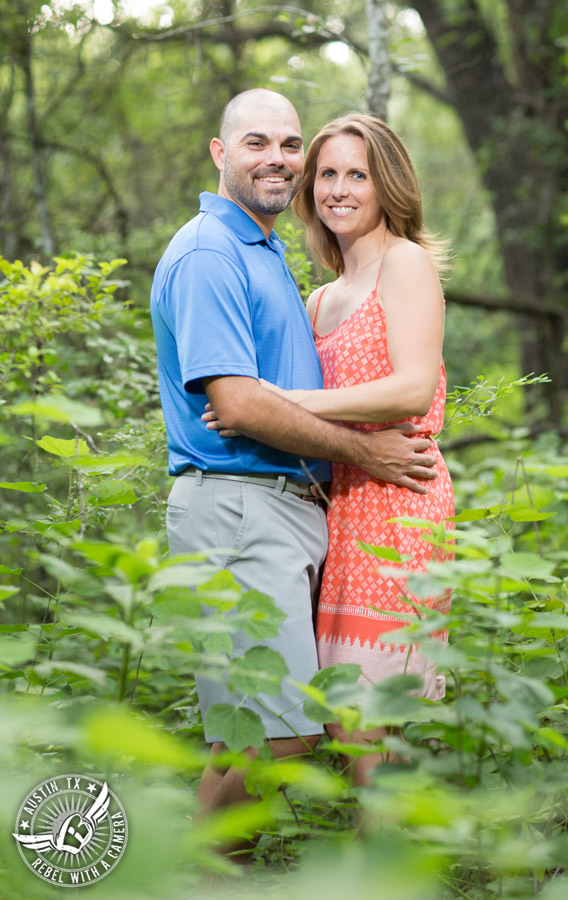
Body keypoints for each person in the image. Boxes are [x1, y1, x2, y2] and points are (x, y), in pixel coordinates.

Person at [150, 90, 438, 813]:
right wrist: (356, 450)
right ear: (220, 153)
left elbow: (395, 388)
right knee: (281, 733)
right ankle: (195, 875)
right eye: (256, 142)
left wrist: (293, 413)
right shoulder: (217, 253)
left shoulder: (275, 258)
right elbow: (241, 404)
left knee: (302, 726)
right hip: (252, 506)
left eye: (290, 145)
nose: (280, 160)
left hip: (340, 513)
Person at [225, 113, 455, 785]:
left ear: (387, 186)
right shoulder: (320, 299)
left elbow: (412, 388)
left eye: (358, 174)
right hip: (337, 508)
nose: (340, 189)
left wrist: (272, 401)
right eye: (327, 174)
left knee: (369, 719)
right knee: (336, 717)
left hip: (398, 502)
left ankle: (385, 878)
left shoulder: (404, 264)